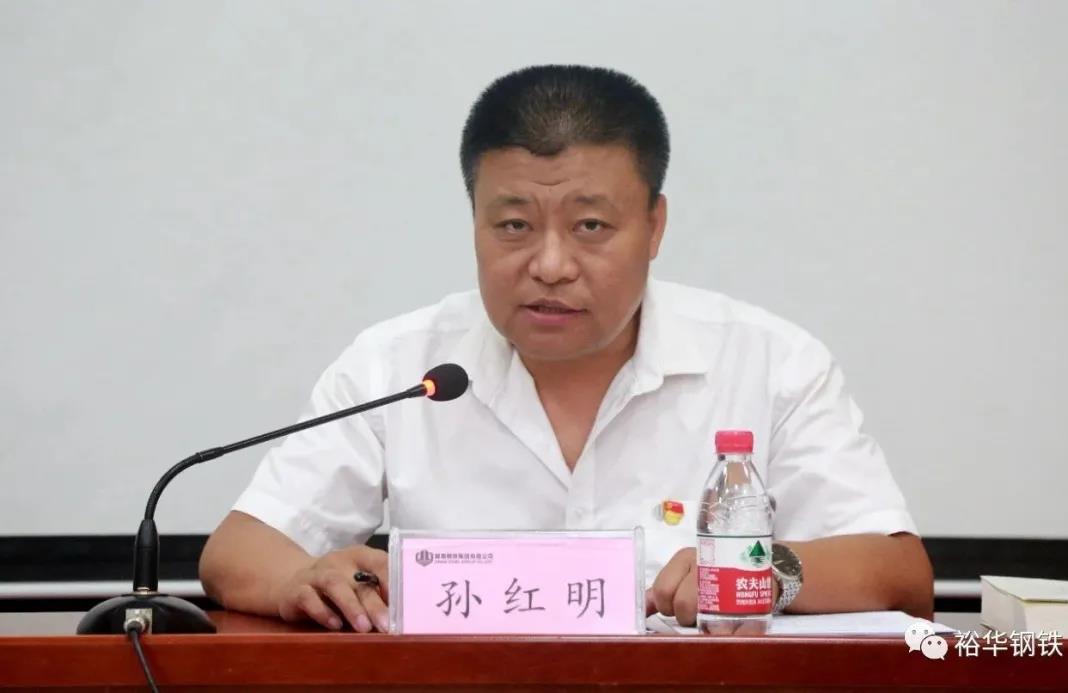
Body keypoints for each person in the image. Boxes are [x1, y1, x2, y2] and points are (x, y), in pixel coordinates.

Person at [199, 65, 933, 634]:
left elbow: (899, 573)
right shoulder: (399, 365)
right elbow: (238, 551)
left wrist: (768, 571)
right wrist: (301, 579)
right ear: (475, 222)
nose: (550, 265)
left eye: (590, 227)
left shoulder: (769, 362)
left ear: (654, 227)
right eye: (514, 226)